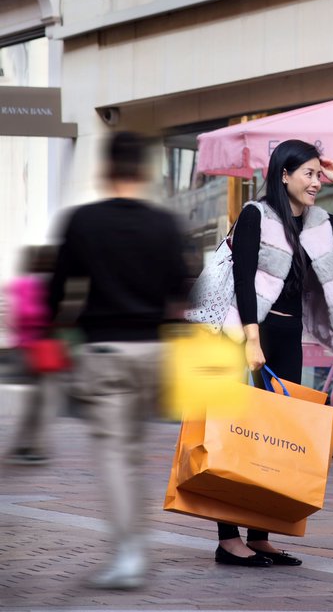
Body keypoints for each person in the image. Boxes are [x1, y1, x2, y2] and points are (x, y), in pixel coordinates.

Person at [213, 138, 333, 568]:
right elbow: (242, 279)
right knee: (237, 433)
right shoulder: (256, 215)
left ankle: (260, 534)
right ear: (283, 175)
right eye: (308, 174)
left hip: (288, 334)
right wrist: (251, 340)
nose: (315, 181)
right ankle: (228, 538)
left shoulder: (316, 222)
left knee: (277, 437)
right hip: (246, 333)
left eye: (317, 174)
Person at [47, 132, 190, 590]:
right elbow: (182, 292)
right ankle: (134, 548)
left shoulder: (82, 221)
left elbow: (57, 289)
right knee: (132, 453)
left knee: (113, 456)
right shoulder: (165, 225)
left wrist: (54, 332)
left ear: (105, 171)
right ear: (145, 172)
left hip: (103, 351)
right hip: (152, 351)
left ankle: (129, 552)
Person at [4, 245, 61, 466]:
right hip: (44, 348)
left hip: (25, 347)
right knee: (46, 401)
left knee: (35, 401)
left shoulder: (19, 285)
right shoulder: (49, 286)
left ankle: (23, 443)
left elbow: (12, 317)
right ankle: (36, 446)